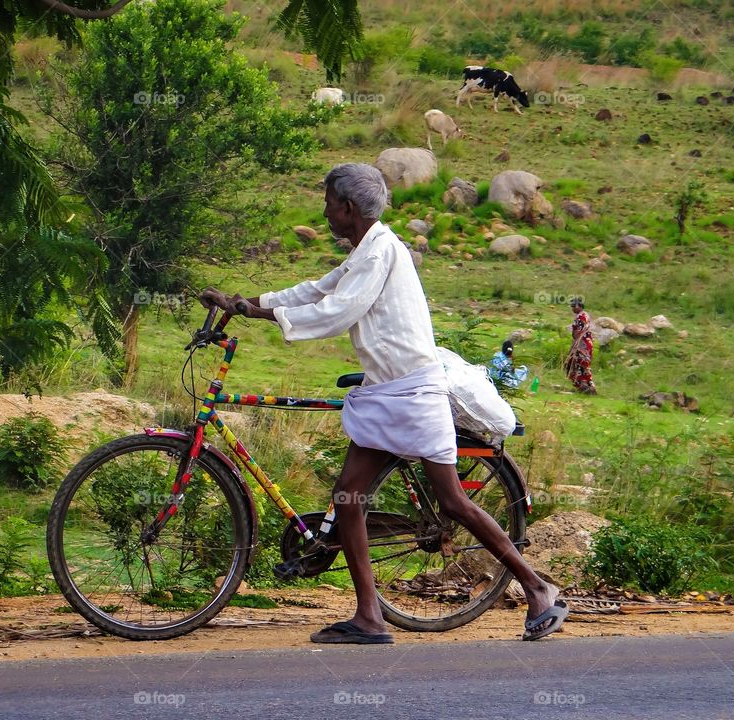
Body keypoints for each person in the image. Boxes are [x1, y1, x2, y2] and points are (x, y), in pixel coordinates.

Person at [200, 163, 566, 644]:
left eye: (329, 202)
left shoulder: (382, 251)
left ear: (347, 208)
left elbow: (337, 310)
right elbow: (318, 289)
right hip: (385, 392)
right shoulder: (368, 248)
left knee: (452, 502)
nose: (324, 210)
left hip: (413, 393)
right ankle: (369, 618)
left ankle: (537, 588)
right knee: (348, 499)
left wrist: (261, 313)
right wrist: (243, 302)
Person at [565, 299, 597, 394]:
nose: (573, 308)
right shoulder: (584, 315)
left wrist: (575, 345)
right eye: (572, 306)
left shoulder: (582, 317)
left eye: (574, 306)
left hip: (582, 343)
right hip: (585, 342)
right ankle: (584, 386)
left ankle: (584, 386)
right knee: (580, 364)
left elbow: (580, 332)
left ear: (580, 306)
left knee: (579, 363)